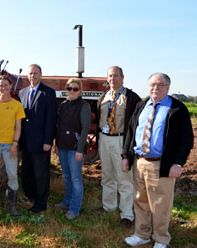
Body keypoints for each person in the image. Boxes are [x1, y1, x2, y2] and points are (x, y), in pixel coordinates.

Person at [122, 73, 193, 248]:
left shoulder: (177, 109)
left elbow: (186, 139)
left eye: (160, 85)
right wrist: (126, 156)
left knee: (160, 204)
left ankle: (161, 239)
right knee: (140, 201)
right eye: (153, 84)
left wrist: (178, 163)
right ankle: (142, 234)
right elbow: (130, 132)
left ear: (167, 88)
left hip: (161, 164)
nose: (156, 88)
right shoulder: (141, 106)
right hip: (140, 162)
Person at [95, 66, 141, 228]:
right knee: (107, 176)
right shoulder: (103, 97)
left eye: (115, 76)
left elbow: (136, 124)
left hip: (121, 141)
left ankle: (127, 214)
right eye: (110, 76)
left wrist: (129, 148)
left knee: (125, 179)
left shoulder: (131, 97)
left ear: (122, 77)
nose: (112, 79)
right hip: (104, 139)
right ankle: (108, 206)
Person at [0, 75, 26, 216]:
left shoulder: (17, 105)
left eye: (6, 85)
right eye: (1, 85)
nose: (3, 88)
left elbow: (18, 127)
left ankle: (12, 205)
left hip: (9, 145)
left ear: (11, 86)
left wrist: (15, 144)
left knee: (12, 174)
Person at [18, 64, 57, 213]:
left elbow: (51, 119)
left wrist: (48, 141)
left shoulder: (48, 93)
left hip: (41, 142)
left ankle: (41, 204)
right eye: (30, 73)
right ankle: (30, 196)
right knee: (27, 172)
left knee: (40, 174)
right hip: (26, 141)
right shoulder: (22, 93)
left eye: (35, 73)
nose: (32, 76)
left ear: (40, 75)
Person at [54, 78, 91, 220]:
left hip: (75, 149)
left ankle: (74, 209)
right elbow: (60, 126)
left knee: (76, 179)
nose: (72, 91)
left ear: (80, 91)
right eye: (69, 88)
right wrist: (57, 145)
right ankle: (66, 202)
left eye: (75, 89)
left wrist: (80, 150)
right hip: (63, 146)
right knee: (67, 176)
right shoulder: (63, 105)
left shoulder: (84, 106)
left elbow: (85, 128)